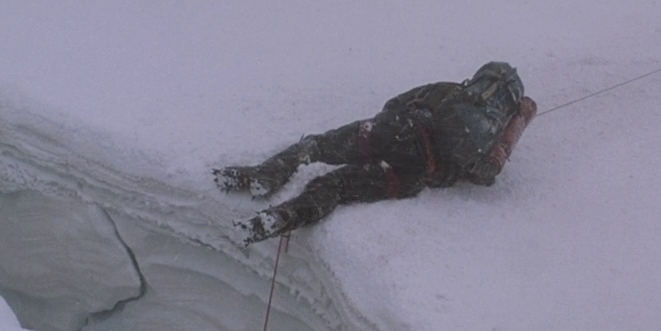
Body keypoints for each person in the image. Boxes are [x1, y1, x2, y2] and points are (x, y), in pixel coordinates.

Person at [215, 61, 538, 244]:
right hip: (414, 171)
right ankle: (279, 218)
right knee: (337, 186)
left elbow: (396, 103)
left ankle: (262, 177)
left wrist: (383, 132)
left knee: (315, 147)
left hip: (394, 129)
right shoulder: (493, 137)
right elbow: (483, 176)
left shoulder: (449, 90)